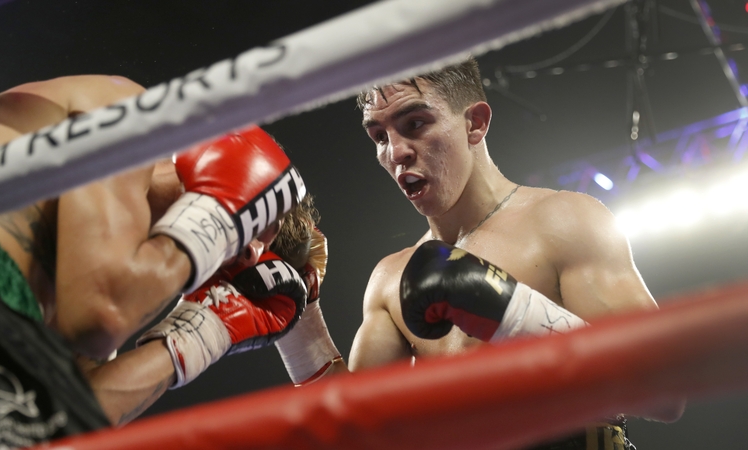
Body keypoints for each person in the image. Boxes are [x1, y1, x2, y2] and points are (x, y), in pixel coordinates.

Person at [271, 58, 685, 449]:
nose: (395, 152)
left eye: (414, 123)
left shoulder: (563, 222)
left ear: (475, 123)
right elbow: (356, 439)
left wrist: (514, 313)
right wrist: (298, 316)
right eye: (380, 136)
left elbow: (666, 390)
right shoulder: (390, 279)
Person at [0, 74, 307, 448]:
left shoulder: (103, 271)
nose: (252, 254)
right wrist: (216, 216)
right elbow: (99, 317)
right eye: (267, 224)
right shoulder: (129, 112)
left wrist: (207, 330)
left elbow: (66, 418)